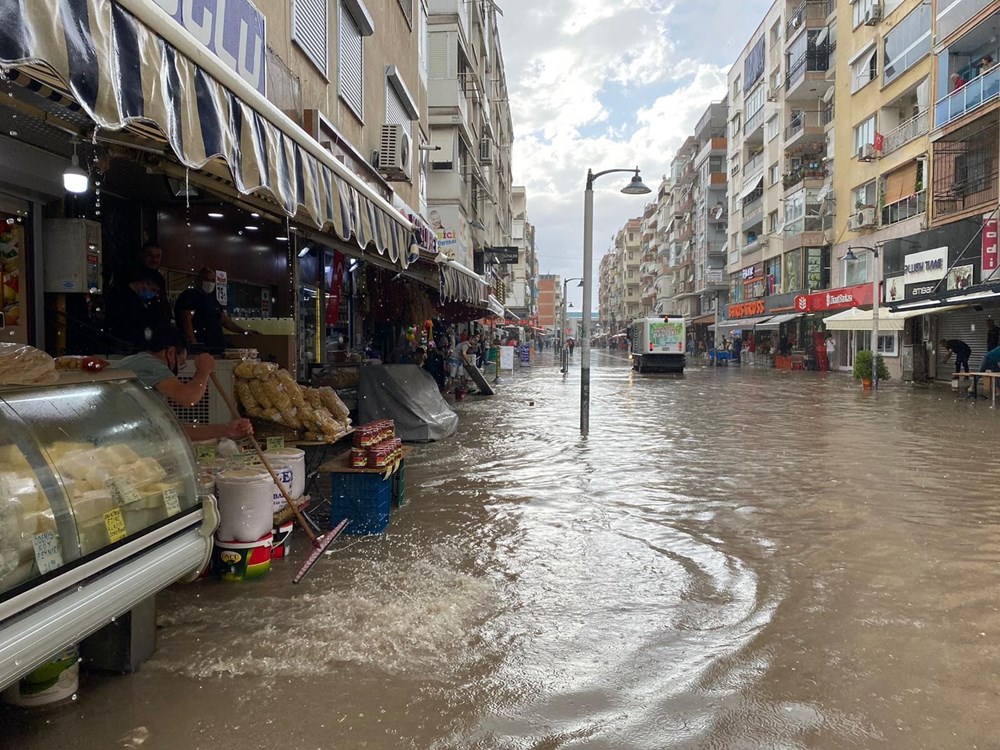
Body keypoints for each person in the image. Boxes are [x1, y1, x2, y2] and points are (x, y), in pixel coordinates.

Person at [116, 326, 253, 442]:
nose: (180, 368)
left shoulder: (137, 366)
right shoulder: (149, 364)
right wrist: (203, 370)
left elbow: (171, 429)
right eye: (181, 362)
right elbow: (189, 398)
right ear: (170, 352)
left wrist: (226, 430)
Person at [174, 268, 258, 355]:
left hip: (217, 346)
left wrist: (244, 331)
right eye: (206, 279)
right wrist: (194, 345)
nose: (210, 283)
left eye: (212, 280)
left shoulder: (213, 298)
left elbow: (225, 320)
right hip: (201, 347)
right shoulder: (189, 296)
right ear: (198, 280)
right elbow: (186, 320)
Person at [105, 266, 171, 352]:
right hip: (127, 346)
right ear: (144, 283)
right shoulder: (123, 300)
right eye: (153, 290)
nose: (154, 294)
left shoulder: (143, 301)